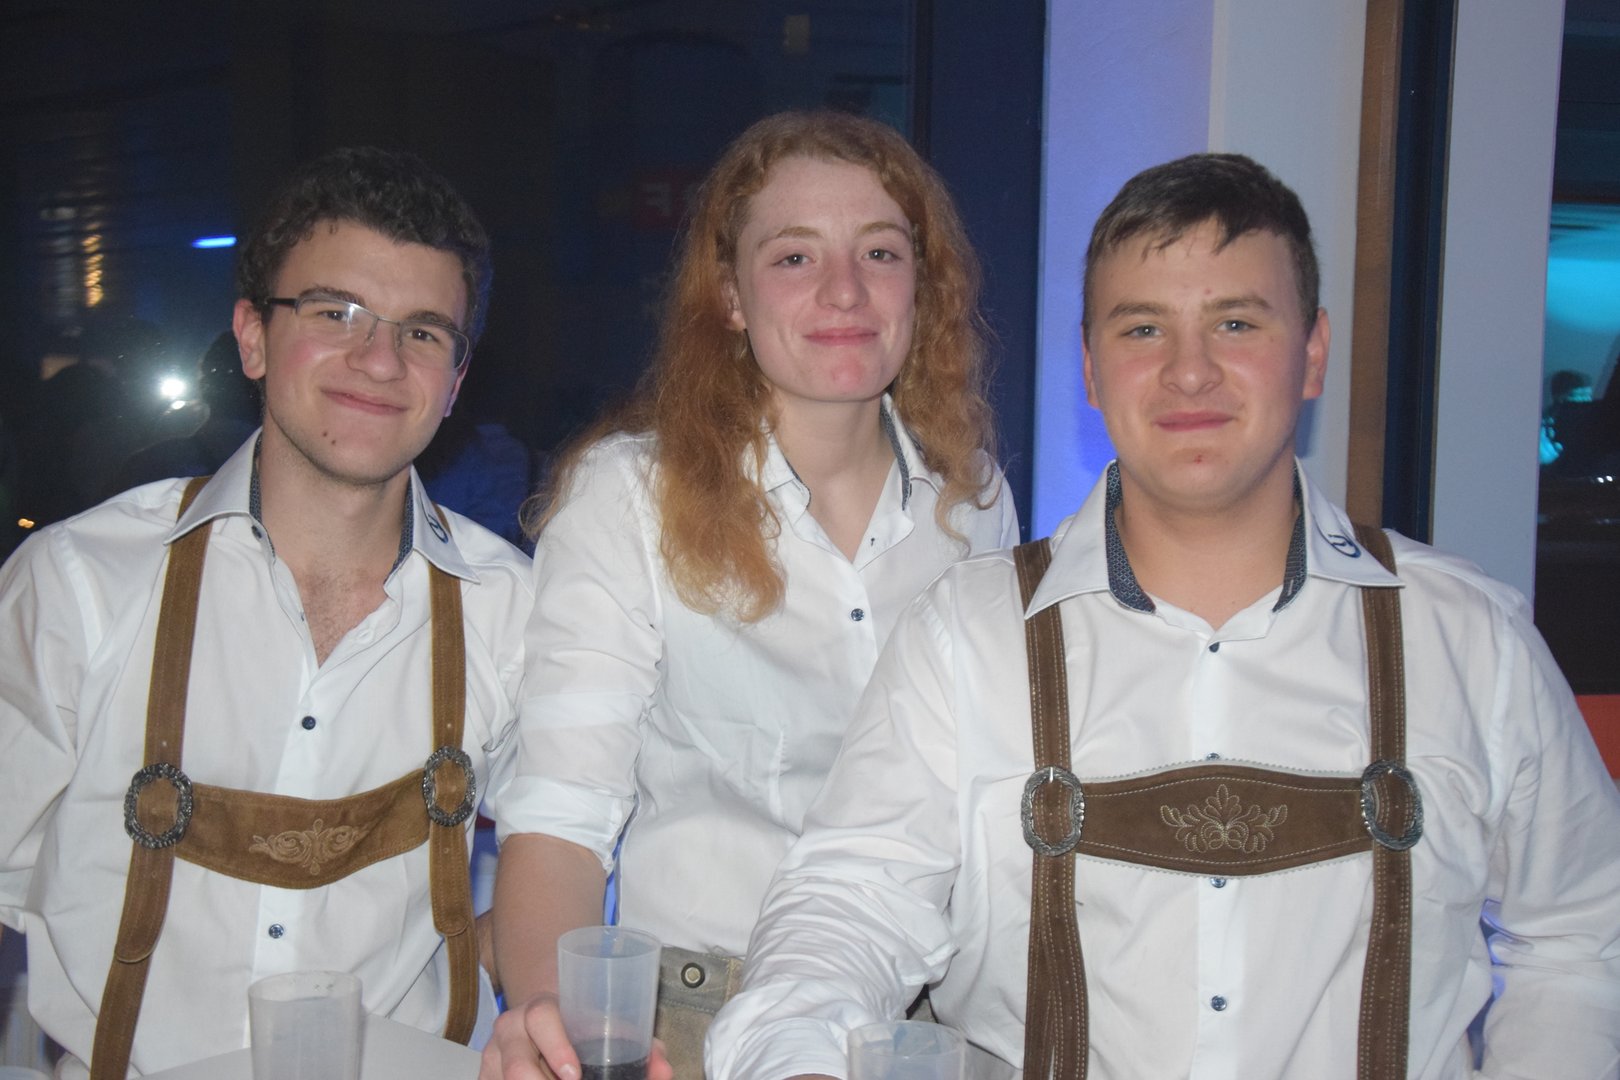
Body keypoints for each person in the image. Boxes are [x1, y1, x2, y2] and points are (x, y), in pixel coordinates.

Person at [706, 153, 1620, 1079]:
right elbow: (848, 905)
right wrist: (796, 1059)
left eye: (1236, 323)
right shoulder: (967, 636)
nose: (1190, 373)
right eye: (1143, 329)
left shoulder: (1470, 638)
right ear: (1090, 368)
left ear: (1312, 353)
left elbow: (1582, 939)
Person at [482, 110, 1019, 1080]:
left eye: (881, 252)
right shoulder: (631, 498)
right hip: (699, 1028)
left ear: (923, 285)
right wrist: (558, 1028)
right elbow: (560, 822)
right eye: (794, 257)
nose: (845, 289)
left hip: (930, 1032)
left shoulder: (975, 504)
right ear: (730, 296)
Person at [0, 146, 532, 1078]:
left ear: (455, 380)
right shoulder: (79, 585)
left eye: (422, 332)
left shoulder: (510, 609)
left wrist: (501, 974)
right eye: (335, 313)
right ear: (251, 336)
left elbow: (580, 848)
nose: (378, 360)